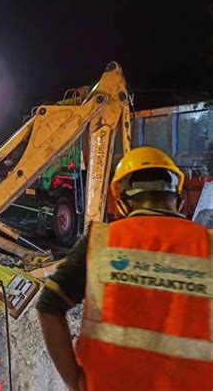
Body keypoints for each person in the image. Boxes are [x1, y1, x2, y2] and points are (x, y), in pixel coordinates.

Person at [37, 147, 212, 391]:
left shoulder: (101, 242)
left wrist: (75, 382)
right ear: (179, 198)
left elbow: (48, 306)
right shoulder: (208, 246)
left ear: (120, 201)